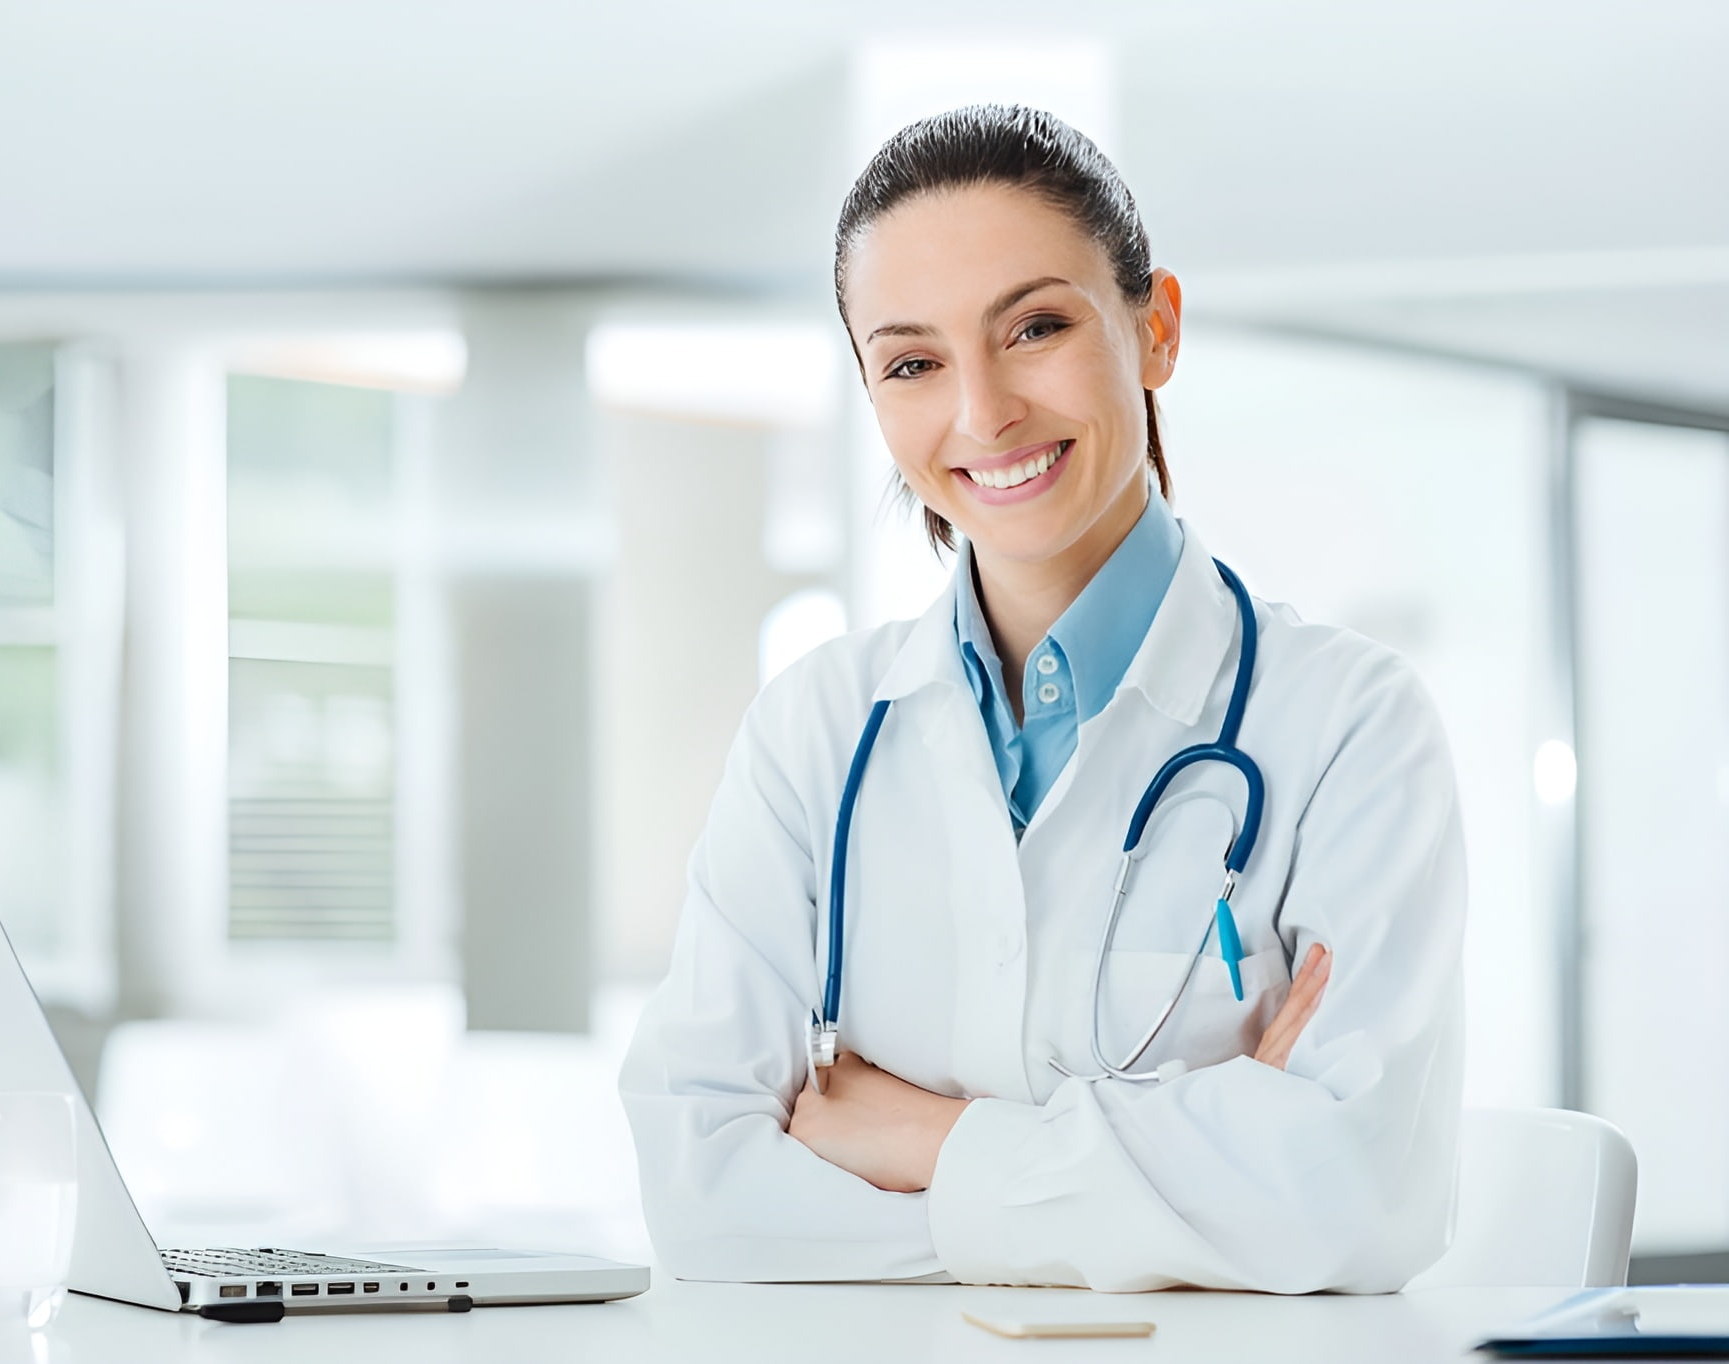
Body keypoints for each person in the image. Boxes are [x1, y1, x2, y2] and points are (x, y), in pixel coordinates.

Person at [618, 105, 1466, 1294]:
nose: (981, 411)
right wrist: (1197, 1194)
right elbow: (702, 1196)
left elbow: (1357, 1199)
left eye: (1034, 326)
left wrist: (925, 1138)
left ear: (1153, 328)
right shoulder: (813, 734)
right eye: (912, 361)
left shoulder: (1349, 725)